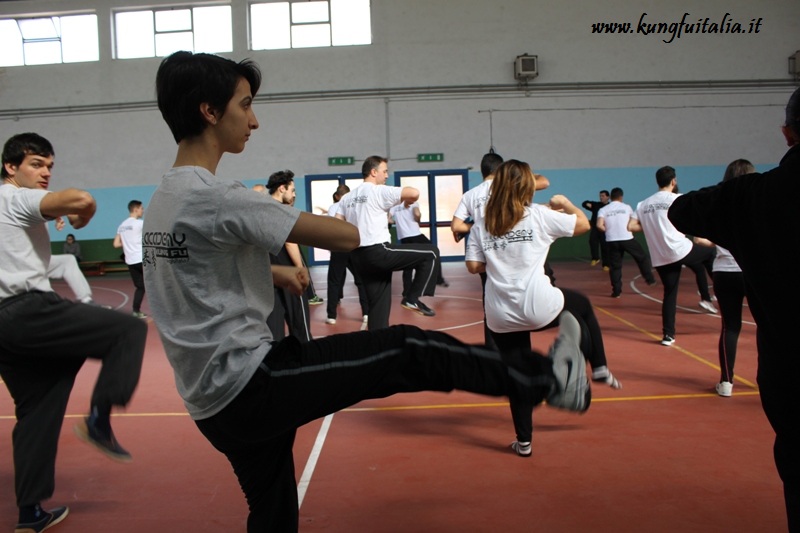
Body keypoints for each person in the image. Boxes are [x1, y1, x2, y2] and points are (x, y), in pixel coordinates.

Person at [144, 51, 591, 532]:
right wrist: (358, 205)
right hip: (249, 385)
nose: (254, 120)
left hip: (207, 403)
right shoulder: (221, 197)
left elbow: (193, 273)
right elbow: (347, 238)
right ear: (209, 111)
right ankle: (545, 380)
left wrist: (276, 274)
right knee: (406, 348)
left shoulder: (162, 201)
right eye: (245, 105)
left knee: (272, 511)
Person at [0, 132, 146, 533]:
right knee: (126, 333)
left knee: (38, 408)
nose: (46, 172)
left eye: (50, 166)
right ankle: (99, 419)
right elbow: (81, 200)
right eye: (36, 164)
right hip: (26, 308)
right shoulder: (14, 196)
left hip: (5, 326)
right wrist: (84, 213)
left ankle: (30, 513)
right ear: (11, 167)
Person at [668, 87, 800, 532]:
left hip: (791, 369)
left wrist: (738, 199)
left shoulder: (754, 195)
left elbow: (684, 211)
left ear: (787, 135)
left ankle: (726, 378)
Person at [465, 159, 618, 457]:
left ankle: (524, 442)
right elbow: (584, 225)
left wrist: (498, 256)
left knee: (517, 374)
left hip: (500, 315)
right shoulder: (538, 214)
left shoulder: (482, 222)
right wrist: (566, 203)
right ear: (528, 188)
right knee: (582, 306)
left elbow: (473, 267)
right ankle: (597, 367)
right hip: (539, 306)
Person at [452, 151, 552, 348]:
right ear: (502, 170)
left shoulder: (470, 195)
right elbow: (544, 182)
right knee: (521, 298)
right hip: (515, 251)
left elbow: (456, 226)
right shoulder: (510, 187)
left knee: (491, 305)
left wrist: (480, 227)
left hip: (488, 255)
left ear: (482, 171)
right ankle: (522, 350)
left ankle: (494, 353)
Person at [337, 155, 440, 328]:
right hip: (378, 252)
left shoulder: (347, 198)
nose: (386, 176)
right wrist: (409, 200)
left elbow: (338, 225)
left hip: (358, 258)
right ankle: (412, 298)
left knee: (378, 307)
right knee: (431, 253)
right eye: (384, 172)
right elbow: (413, 193)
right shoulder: (378, 191)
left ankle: (378, 345)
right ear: (373, 172)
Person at [628, 166, 717, 346]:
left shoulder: (643, 204)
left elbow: (631, 226)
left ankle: (668, 335)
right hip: (679, 249)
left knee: (670, 293)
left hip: (660, 256)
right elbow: (691, 221)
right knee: (709, 253)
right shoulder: (677, 199)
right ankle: (718, 289)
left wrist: (653, 226)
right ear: (673, 181)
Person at [264, 170, 312, 342]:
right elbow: (290, 242)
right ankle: (306, 359)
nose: (293, 195)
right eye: (292, 191)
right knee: (301, 327)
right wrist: (300, 269)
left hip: (270, 277)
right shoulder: (283, 211)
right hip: (289, 275)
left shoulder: (262, 210)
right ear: (282, 188)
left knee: (274, 329)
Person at [596, 187, 657, 297]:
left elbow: (599, 225)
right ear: (621, 197)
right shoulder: (627, 207)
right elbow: (632, 222)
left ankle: (616, 291)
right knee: (641, 257)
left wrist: (609, 231)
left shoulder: (603, 209)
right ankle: (649, 279)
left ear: (611, 197)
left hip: (611, 240)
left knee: (615, 267)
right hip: (627, 239)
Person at [325, 185, 369, 327]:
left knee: (334, 281)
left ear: (337, 195)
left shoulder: (334, 207)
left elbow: (331, 227)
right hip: (354, 246)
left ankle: (331, 315)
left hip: (339, 246)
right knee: (361, 280)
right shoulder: (356, 205)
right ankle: (366, 313)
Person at [389, 200, 448, 300]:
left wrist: (397, 222)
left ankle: (406, 291)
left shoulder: (394, 206)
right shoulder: (413, 203)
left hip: (404, 237)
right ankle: (438, 279)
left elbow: (388, 220)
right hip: (415, 235)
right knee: (434, 252)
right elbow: (417, 214)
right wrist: (418, 219)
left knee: (408, 264)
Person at [113, 199, 147, 318]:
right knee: (156, 283)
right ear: (135, 209)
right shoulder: (140, 223)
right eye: (142, 208)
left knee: (141, 286)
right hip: (141, 259)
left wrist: (127, 243)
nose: (143, 210)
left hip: (130, 261)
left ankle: (136, 311)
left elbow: (116, 244)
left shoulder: (122, 226)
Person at [581, 190, 610, 268]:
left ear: (608, 197)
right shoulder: (596, 205)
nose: (601, 197)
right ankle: (595, 258)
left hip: (605, 229)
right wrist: (587, 204)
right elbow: (584, 204)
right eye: (600, 196)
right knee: (592, 241)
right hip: (595, 228)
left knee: (605, 246)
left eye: (603, 196)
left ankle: (606, 265)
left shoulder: (610, 207)